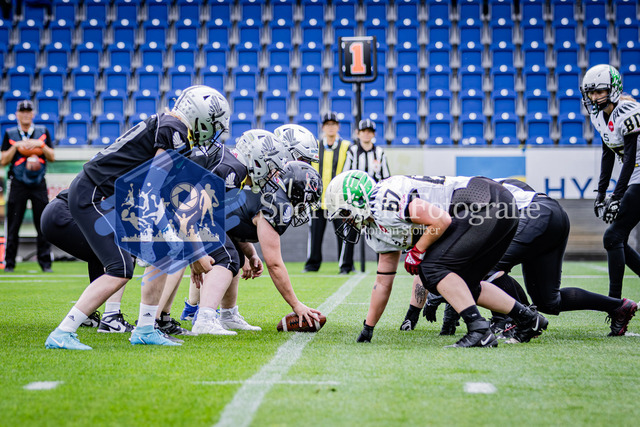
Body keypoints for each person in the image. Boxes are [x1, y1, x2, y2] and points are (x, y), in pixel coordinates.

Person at [45, 85, 229, 350]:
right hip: (95, 195)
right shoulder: (175, 130)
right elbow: (151, 190)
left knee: (164, 251)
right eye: (213, 123)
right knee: (120, 269)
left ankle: (145, 328)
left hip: (112, 197)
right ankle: (63, 331)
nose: (213, 131)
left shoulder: (173, 128)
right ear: (199, 115)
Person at [325, 171, 549, 347]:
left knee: (431, 269)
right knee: (464, 284)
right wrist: (368, 328)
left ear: (358, 200)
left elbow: (441, 220)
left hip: (485, 203)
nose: (346, 220)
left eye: (344, 212)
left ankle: (479, 329)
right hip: (493, 205)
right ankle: (528, 318)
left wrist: (417, 250)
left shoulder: (382, 200)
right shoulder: (377, 226)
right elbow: (383, 282)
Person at [403, 179, 638, 338]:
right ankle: (618, 307)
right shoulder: (479, 189)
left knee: (485, 267)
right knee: (549, 301)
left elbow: (457, 265)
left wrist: (447, 308)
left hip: (535, 214)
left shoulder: (461, 198)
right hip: (553, 215)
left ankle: (513, 320)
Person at [192, 160, 324, 335]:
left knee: (235, 257)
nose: (305, 205)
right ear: (298, 190)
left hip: (208, 219)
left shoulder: (272, 193)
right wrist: (296, 305)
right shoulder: (278, 204)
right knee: (228, 258)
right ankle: (204, 319)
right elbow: (274, 264)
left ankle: (228, 316)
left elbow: (234, 222)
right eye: (307, 200)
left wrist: (251, 254)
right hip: (198, 220)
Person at [580, 64, 640, 300]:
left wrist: (616, 197)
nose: (594, 98)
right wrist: (601, 192)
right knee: (617, 238)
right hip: (635, 174)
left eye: (599, 91)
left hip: (637, 172)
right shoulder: (599, 115)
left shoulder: (628, 111)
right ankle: (617, 305)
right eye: (591, 93)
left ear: (613, 89)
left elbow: (630, 159)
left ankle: (616, 305)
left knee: (613, 237)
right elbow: (608, 152)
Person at [1, 99, 55, 273]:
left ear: (33, 114)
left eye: (28, 111)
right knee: (13, 224)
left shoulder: (42, 132)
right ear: (17, 114)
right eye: (22, 111)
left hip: (38, 182)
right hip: (18, 183)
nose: (25, 114)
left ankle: (45, 263)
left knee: (42, 223)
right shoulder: (10, 133)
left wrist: (40, 145)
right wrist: (16, 147)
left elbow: (52, 156)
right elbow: (3, 160)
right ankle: (9, 263)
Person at [304, 112, 354, 274]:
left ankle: (345, 265)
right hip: (318, 199)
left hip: (339, 200)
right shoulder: (315, 146)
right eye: (328, 124)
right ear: (323, 127)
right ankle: (312, 265)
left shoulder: (347, 147)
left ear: (338, 127)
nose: (331, 127)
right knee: (315, 235)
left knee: (343, 235)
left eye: (333, 124)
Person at [343, 119, 390, 184]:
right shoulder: (353, 151)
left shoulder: (379, 152)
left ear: (374, 134)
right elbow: (345, 175)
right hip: (356, 188)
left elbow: (386, 177)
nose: (366, 134)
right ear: (358, 133)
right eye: (363, 131)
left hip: (375, 189)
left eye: (369, 131)